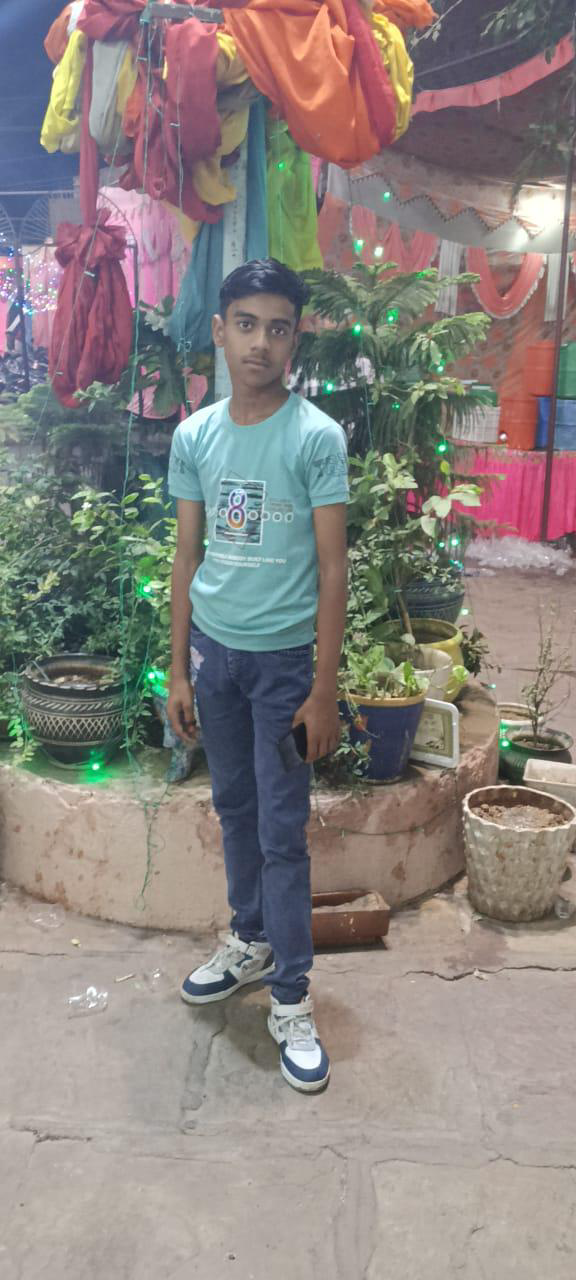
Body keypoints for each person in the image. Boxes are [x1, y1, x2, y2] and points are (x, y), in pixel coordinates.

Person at [167, 258, 348, 1093]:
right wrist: (178, 669)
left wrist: (322, 689)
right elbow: (187, 556)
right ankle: (249, 939)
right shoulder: (196, 436)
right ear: (220, 329)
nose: (260, 344)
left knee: (282, 830)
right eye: (246, 324)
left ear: (295, 337)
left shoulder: (315, 437)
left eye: (278, 328)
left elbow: (333, 568)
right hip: (214, 658)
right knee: (234, 808)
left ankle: (292, 997)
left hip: (281, 670)